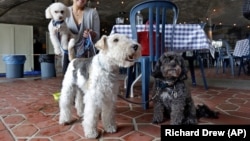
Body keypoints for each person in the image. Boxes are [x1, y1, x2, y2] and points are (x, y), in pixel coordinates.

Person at [62, 0, 100, 74]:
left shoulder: (93, 13)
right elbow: (59, 33)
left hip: (87, 54)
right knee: (69, 81)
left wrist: (91, 34)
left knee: (87, 80)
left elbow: (97, 35)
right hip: (70, 53)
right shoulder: (64, 12)